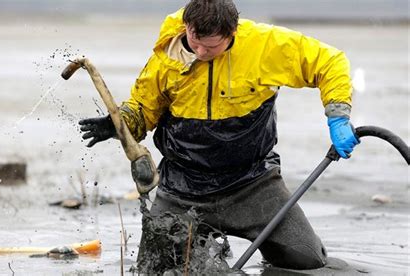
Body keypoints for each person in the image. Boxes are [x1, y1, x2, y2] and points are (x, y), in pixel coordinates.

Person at [79, 0, 359, 271]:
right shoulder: (167, 54)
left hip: (253, 183)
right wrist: (118, 124)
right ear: (187, 25)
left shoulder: (264, 45)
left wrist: (337, 116)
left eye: (211, 46)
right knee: (153, 268)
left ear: (232, 33)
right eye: (194, 40)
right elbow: (142, 111)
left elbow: (330, 61)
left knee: (307, 259)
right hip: (183, 189)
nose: (199, 52)